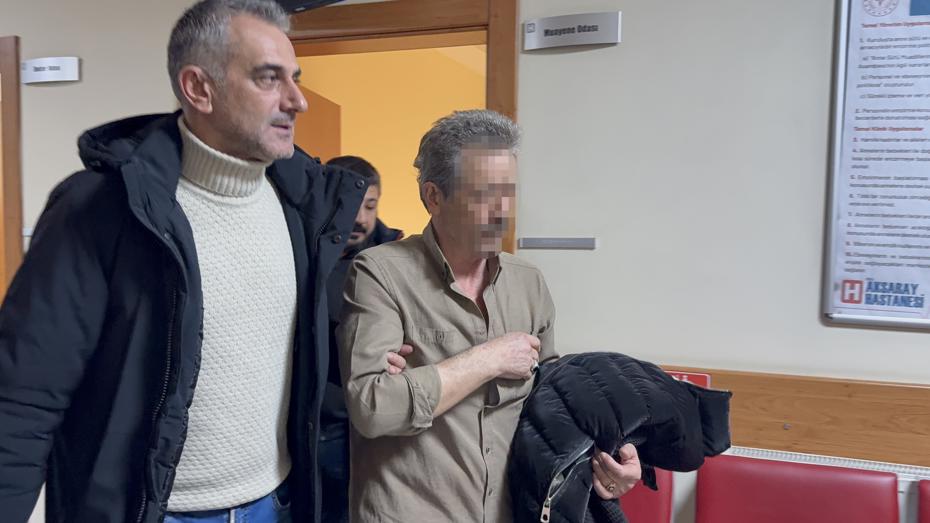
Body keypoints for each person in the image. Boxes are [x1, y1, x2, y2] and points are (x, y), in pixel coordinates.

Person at [0, 1, 395, 521]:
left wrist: (362, 355)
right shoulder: (100, 207)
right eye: (269, 78)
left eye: (295, 79)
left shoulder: (304, 207)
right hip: (153, 512)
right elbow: (24, 398)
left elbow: (276, 344)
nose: (297, 100)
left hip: (275, 505)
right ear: (198, 88)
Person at [339, 109, 642, 523]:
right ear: (434, 197)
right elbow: (374, 408)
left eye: (508, 192)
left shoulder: (528, 283)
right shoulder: (379, 273)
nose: (502, 211)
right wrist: (490, 359)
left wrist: (607, 460)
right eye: (484, 193)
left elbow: (551, 410)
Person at [320, 155, 403, 522]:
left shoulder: (395, 259)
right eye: (351, 204)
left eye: (370, 205)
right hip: (315, 426)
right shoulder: (304, 255)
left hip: (374, 425)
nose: (360, 218)